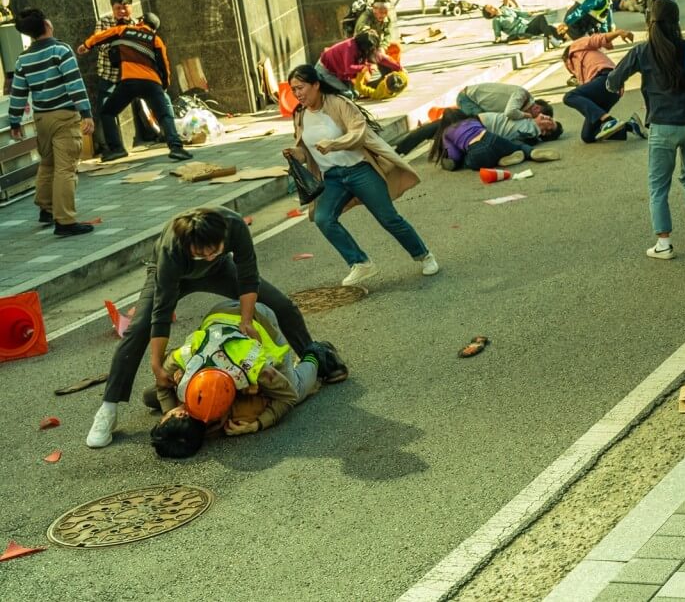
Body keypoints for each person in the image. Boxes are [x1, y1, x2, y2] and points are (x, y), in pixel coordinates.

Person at [86, 206, 346, 448]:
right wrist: (156, 363)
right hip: (173, 277)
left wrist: (246, 320)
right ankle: (108, 409)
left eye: (214, 249)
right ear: (188, 246)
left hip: (221, 270)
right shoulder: (171, 250)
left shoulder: (234, 226)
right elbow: (161, 311)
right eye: (201, 253)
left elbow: (247, 278)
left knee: (282, 304)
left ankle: (315, 354)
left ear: (223, 236)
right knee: (138, 328)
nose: (207, 256)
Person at [284, 64, 435, 288]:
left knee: (388, 218)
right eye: (293, 89)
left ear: (316, 84)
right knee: (323, 218)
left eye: (301, 87)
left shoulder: (338, 103)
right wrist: (295, 154)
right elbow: (307, 151)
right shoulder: (300, 115)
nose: (297, 94)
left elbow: (358, 132)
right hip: (332, 178)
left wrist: (335, 144)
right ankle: (361, 263)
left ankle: (424, 255)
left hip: (359, 170)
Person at [149, 301, 337, 458]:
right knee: (149, 396)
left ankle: (317, 353)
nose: (180, 407)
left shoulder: (255, 369)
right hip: (218, 314)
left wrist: (258, 424)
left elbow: (288, 397)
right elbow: (161, 384)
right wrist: (170, 407)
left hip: (259, 319)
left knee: (297, 388)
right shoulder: (182, 360)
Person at [606, 0, 685, 259]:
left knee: (658, 187)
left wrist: (615, 85)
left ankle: (664, 244)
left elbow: (613, 80)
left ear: (650, 22)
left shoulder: (643, 52)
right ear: (676, 21)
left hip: (663, 126)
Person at [7, 8, 95, 237]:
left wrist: (15, 122)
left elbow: (17, 92)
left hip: (41, 119)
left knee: (48, 163)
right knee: (66, 168)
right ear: (47, 23)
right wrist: (86, 113)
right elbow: (74, 84)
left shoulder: (22, 59)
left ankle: (46, 208)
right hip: (64, 117)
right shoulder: (60, 50)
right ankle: (65, 221)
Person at [79, 12, 191, 162]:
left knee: (107, 112)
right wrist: (163, 86)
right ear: (154, 29)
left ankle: (117, 149)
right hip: (152, 83)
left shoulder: (125, 30)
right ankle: (176, 148)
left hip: (129, 83)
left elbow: (102, 35)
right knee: (164, 115)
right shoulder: (156, 40)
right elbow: (165, 66)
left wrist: (87, 45)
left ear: (140, 21)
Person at [393, 81, 555, 155]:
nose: (533, 119)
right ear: (537, 108)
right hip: (468, 99)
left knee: (454, 129)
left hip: (479, 107)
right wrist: (527, 116)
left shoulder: (526, 118)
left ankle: (437, 143)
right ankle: (405, 147)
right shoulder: (522, 96)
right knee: (459, 129)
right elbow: (509, 113)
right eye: (538, 115)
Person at [563, 28, 643, 143]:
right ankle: (631, 126)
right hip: (608, 92)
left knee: (569, 96)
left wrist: (619, 32)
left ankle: (608, 120)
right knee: (587, 136)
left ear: (566, 60)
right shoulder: (582, 74)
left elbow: (598, 39)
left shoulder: (575, 47)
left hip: (607, 78)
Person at [426, 108, 561, 172]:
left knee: (468, 161)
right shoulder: (472, 120)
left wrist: (449, 163)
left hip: (476, 151)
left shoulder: (447, 132)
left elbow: (455, 156)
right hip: (493, 138)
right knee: (516, 146)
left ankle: (498, 161)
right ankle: (530, 153)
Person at [316, 31, 403, 98]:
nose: (374, 51)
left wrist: (398, 67)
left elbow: (381, 58)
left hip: (339, 71)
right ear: (366, 48)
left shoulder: (364, 48)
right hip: (325, 71)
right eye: (372, 50)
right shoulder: (349, 48)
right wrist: (365, 67)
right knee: (348, 94)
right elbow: (349, 68)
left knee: (356, 93)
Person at [482, 4, 559, 44]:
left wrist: (531, 13)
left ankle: (563, 37)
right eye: (490, 8)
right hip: (523, 32)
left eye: (491, 5)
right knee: (540, 18)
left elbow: (520, 13)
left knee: (550, 27)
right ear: (491, 14)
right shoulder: (497, 20)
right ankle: (550, 37)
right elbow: (497, 33)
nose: (492, 7)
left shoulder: (505, 9)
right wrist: (497, 39)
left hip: (527, 26)